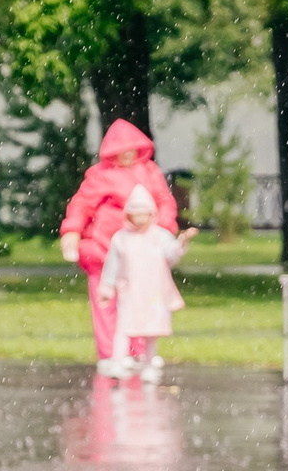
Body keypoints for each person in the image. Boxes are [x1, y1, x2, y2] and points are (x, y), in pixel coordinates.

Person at [59, 119, 180, 376]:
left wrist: (165, 229)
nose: (126, 155)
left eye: (131, 150)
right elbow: (82, 204)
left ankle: (139, 352)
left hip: (141, 252)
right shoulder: (101, 175)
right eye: (121, 150)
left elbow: (164, 201)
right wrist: (71, 230)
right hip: (104, 248)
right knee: (105, 301)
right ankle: (109, 353)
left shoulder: (149, 172)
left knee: (141, 301)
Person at [98, 183, 193, 381]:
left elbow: (170, 255)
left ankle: (149, 366)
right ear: (128, 215)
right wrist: (107, 287)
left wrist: (181, 243)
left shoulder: (160, 236)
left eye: (144, 215)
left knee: (152, 331)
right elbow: (112, 265)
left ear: (151, 214)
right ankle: (117, 362)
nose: (140, 220)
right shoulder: (121, 238)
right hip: (130, 291)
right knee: (124, 328)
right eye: (136, 215)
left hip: (153, 293)